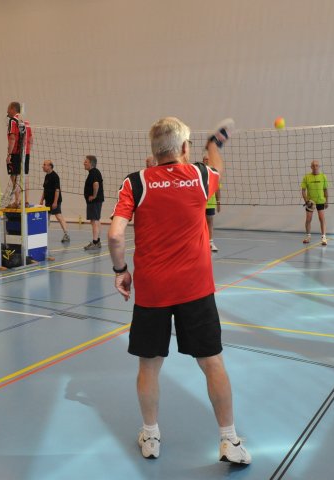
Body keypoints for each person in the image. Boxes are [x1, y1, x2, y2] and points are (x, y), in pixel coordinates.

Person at [108, 117, 251, 465]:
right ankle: (229, 440)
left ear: (153, 150)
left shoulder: (135, 182)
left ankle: (151, 435)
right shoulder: (200, 176)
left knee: (149, 366)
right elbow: (216, 165)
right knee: (212, 362)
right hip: (195, 289)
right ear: (185, 148)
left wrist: (121, 271)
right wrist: (214, 144)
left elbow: (114, 235)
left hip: (152, 292)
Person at [6, 102, 33, 208]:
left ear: (13, 109)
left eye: (8, 109)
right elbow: (31, 139)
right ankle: (26, 201)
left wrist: (9, 154)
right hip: (26, 152)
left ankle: (17, 201)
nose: (7, 111)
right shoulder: (26, 122)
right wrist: (27, 150)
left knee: (14, 175)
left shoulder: (13, 121)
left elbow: (12, 138)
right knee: (24, 175)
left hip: (16, 152)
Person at [39, 160, 70, 242]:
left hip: (55, 201)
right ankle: (44, 234)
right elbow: (45, 189)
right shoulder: (47, 176)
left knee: (58, 216)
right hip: (48, 201)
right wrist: (41, 200)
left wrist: (55, 202)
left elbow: (57, 190)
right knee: (47, 217)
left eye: (44, 165)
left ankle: (66, 234)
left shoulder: (55, 176)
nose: (42, 166)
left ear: (50, 166)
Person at [300, 160, 329, 245]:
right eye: (313, 165)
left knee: (321, 218)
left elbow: (325, 190)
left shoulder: (323, 176)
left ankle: (324, 237)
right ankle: (308, 236)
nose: (315, 167)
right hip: (310, 202)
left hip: (320, 201)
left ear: (319, 167)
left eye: (316, 165)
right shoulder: (307, 177)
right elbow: (303, 190)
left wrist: (327, 201)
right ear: (311, 167)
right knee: (308, 219)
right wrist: (306, 201)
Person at [83, 155, 104, 250]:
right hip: (95, 201)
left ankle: (95, 242)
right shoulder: (93, 172)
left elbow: (96, 184)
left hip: (95, 201)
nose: (84, 163)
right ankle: (97, 241)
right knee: (96, 220)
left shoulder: (94, 172)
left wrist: (94, 196)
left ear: (91, 163)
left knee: (94, 221)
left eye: (86, 162)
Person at [203, 153, 221, 252]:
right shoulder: (200, 172)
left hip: (210, 203)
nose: (206, 161)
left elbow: (217, 189)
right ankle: (202, 243)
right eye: (205, 159)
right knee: (200, 223)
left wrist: (218, 202)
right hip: (201, 203)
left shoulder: (214, 173)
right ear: (203, 161)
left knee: (210, 222)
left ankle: (210, 242)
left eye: (208, 159)